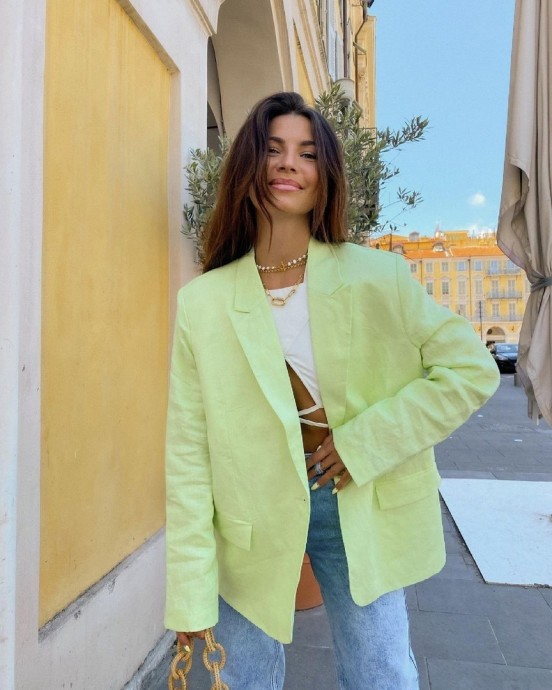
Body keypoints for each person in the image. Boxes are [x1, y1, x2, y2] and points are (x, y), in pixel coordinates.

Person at [164, 92, 500, 689]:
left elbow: (471, 370)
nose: (288, 164)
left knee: (380, 675)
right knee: (240, 679)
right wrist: (189, 591)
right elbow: (189, 450)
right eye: (273, 149)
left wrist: (364, 442)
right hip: (248, 517)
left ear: (326, 175)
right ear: (247, 166)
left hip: (359, 497)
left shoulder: (378, 276)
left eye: (307, 153)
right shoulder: (203, 302)